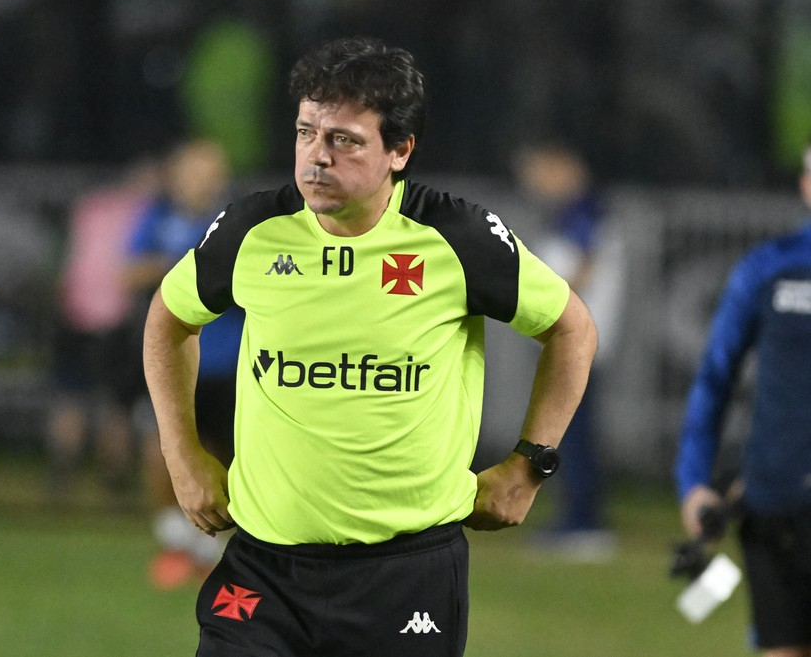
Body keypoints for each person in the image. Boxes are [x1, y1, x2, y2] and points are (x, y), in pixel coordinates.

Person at [143, 37, 598, 656]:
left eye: (344, 140)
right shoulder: (254, 231)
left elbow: (572, 329)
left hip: (407, 573)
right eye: (306, 133)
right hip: (265, 571)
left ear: (399, 150)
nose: (316, 157)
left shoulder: (455, 238)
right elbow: (169, 319)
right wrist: (182, 455)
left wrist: (530, 464)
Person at [675, 141, 811, 657]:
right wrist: (693, 482)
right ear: (805, 184)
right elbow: (715, 377)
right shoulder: (769, 268)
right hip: (776, 506)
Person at [123, 138, 244, 589]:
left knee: (230, 460)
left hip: (229, 363)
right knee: (160, 450)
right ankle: (176, 541)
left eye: (209, 173)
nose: (201, 181)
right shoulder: (157, 219)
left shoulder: (234, 222)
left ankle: (212, 550)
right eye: (193, 171)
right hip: (174, 363)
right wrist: (188, 270)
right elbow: (127, 274)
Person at [513, 140, 625, 560]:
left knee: (572, 435)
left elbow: (583, 266)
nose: (533, 183)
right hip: (575, 340)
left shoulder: (582, 211)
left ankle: (584, 523)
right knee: (569, 433)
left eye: (540, 171)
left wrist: (551, 310)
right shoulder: (578, 211)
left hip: (576, 341)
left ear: (566, 166)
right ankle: (579, 518)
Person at [46, 157, 161, 501]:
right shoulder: (146, 215)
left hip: (75, 313)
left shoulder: (91, 206)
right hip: (116, 319)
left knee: (71, 397)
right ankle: (114, 481)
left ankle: (62, 474)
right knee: (117, 407)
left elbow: (68, 258)